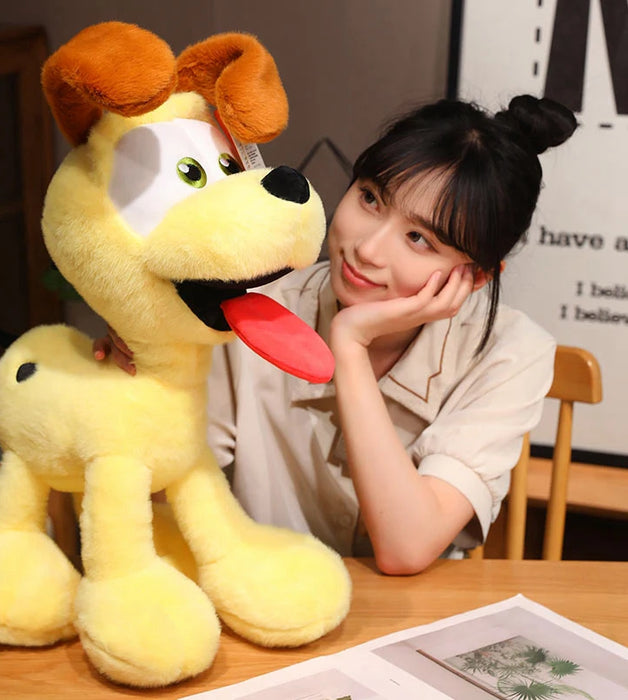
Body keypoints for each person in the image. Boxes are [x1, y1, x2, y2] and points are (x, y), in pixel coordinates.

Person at [96, 94, 577, 575]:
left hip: (404, 625)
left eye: (419, 239)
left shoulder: (511, 353)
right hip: (257, 600)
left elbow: (405, 547)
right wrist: (142, 382)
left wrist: (348, 345)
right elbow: (161, 496)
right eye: (370, 198)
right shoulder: (247, 301)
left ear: (473, 277)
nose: (366, 248)